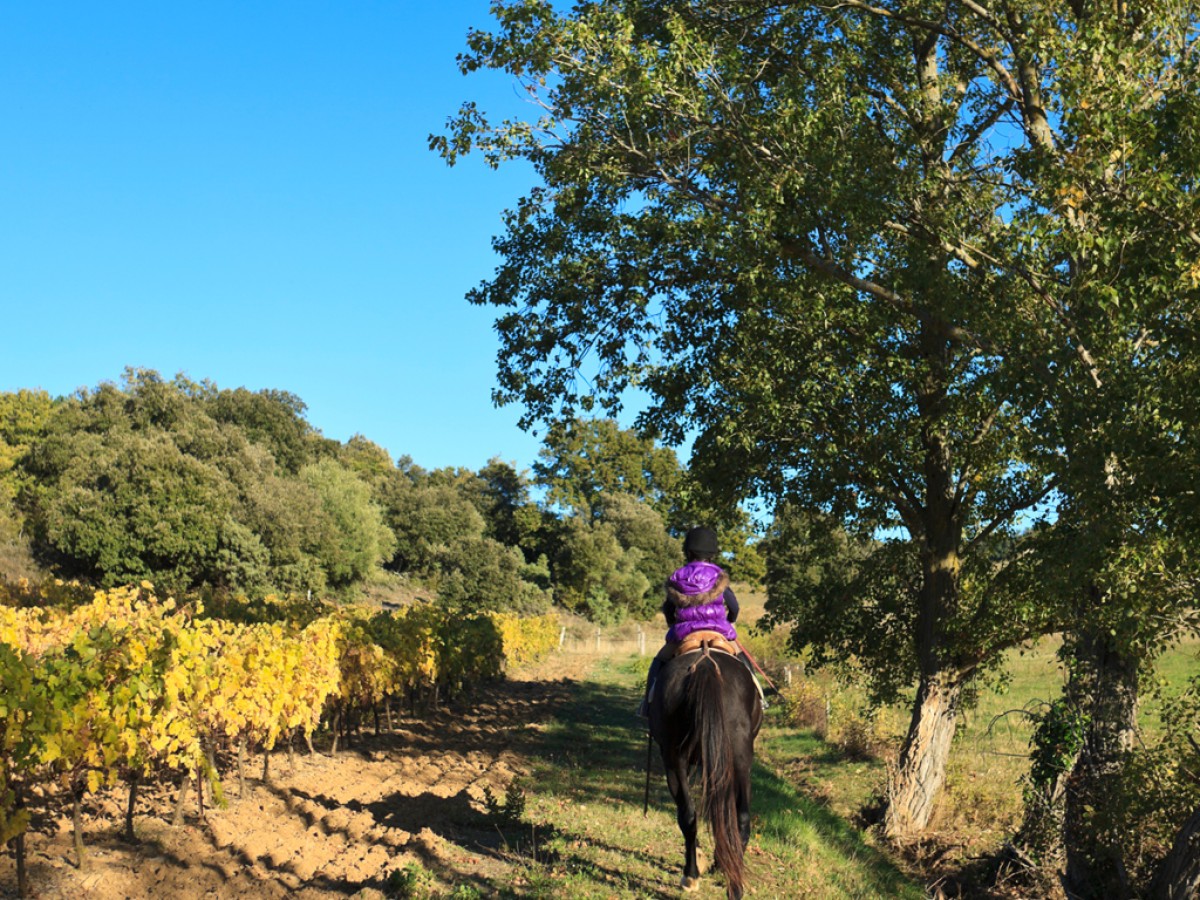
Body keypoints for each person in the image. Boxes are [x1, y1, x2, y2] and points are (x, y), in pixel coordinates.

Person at [639, 526, 756, 717]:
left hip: (685, 634)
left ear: (688, 551)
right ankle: (759, 697)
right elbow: (734, 607)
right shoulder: (719, 576)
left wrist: (673, 623)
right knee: (743, 660)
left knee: (658, 662)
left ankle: (647, 704)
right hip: (718, 632)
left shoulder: (677, 577)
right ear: (712, 553)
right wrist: (729, 622)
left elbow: (668, 609)